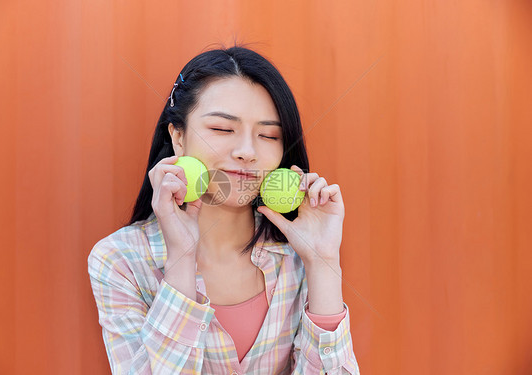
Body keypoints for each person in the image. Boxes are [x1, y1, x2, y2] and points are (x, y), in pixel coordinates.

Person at [87, 46, 360, 374]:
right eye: (222, 129)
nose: (247, 152)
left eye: (268, 135)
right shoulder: (120, 261)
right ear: (178, 137)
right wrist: (182, 259)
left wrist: (322, 262)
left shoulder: (297, 256)